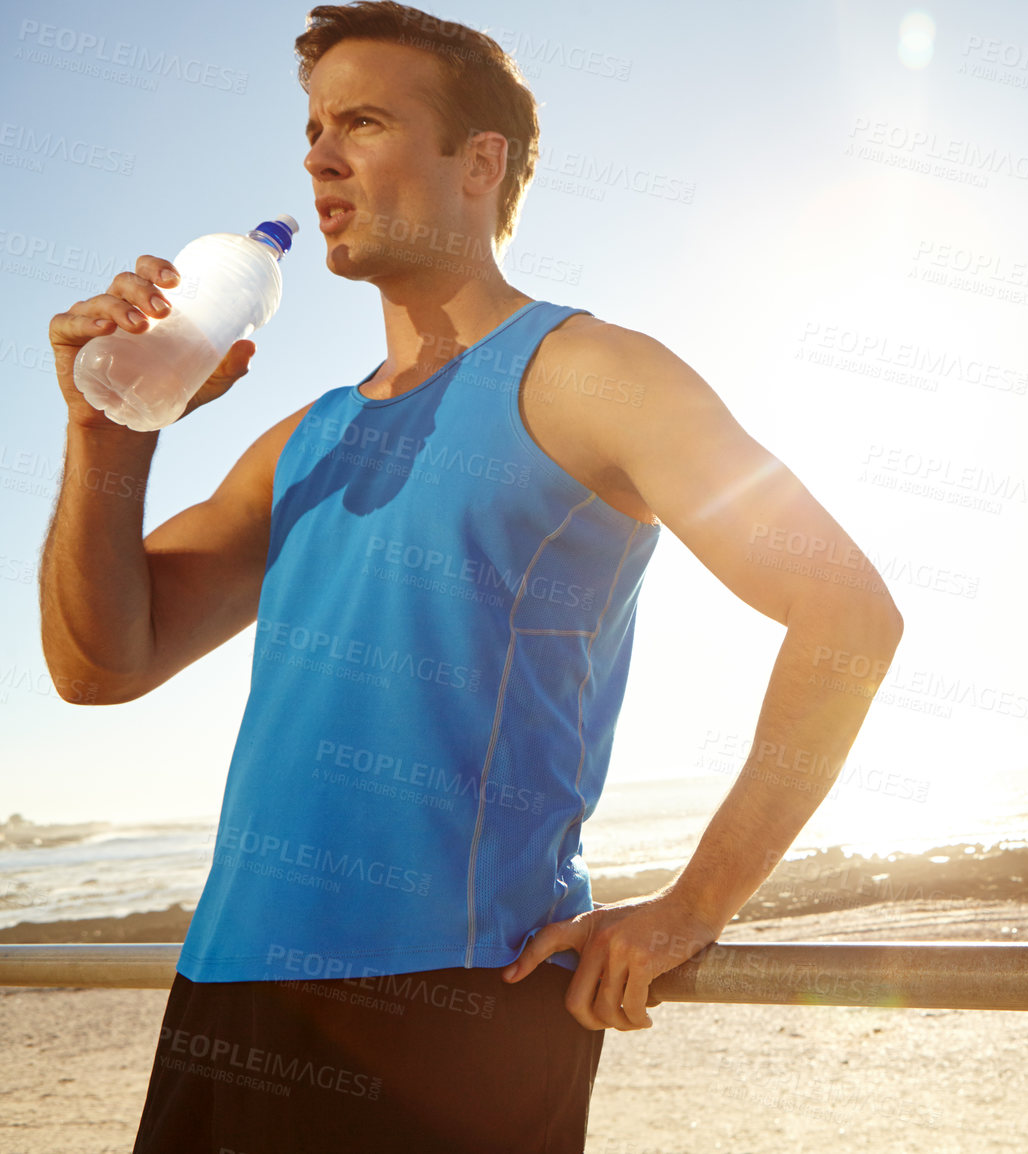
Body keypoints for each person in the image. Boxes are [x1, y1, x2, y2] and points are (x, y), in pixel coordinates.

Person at [37, 3, 903, 1151]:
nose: (317, 153)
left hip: (454, 1002)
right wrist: (107, 428)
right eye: (312, 125)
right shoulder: (306, 438)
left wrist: (697, 904)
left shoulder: (590, 372)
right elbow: (101, 665)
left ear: (478, 163)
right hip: (226, 985)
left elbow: (849, 612)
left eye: (364, 119)